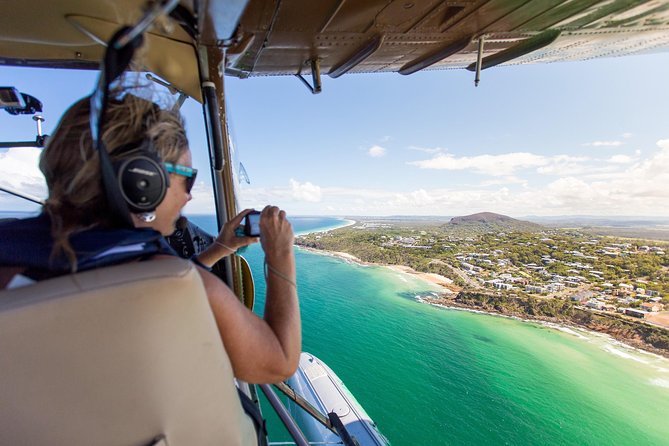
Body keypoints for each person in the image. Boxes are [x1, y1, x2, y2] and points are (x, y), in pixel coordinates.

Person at [0, 89, 300, 384]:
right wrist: (281, 254)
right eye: (186, 178)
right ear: (142, 181)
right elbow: (278, 363)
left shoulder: (12, 256)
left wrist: (220, 247)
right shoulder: (176, 287)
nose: (190, 196)